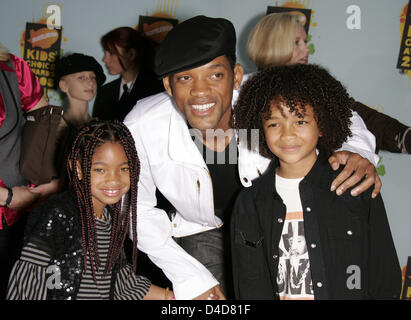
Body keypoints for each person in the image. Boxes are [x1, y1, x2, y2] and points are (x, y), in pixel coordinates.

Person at [124, 15, 381, 300]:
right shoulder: (142, 125)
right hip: (202, 230)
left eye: (215, 75)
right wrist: (189, 276)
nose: (200, 91)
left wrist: (357, 151)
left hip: (270, 220)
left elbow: (346, 115)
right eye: (185, 78)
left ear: (235, 76)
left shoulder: (264, 91)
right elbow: (136, 211)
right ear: (169, 87)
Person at [230, 64, 402, 300]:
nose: (287, 134)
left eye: (300, 121)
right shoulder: (249, 203)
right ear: (260, 129)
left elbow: (384, 274)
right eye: (274, 124)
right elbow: (249, 283)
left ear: (322, 124)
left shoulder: (355, 186)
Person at [7, 120, 174, 300]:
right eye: (101, 170)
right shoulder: (57, 214)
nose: (114, 180)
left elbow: (122, 283)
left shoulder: (111, 219)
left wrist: (175, 297)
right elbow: (31, 279)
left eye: (124, 169)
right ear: (77, 169)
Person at [247, 12, 411, 154]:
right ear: (273, 45)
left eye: (305, 42)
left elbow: (358, 119)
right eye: (296, 42)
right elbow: (235, 150)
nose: (306, 49)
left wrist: (404, 137)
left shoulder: (315, 88)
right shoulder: (241, 94)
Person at [0, 45, 60, 299]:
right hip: (11, 200)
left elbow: (43, 124)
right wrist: (8, 197)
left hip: (12, 216)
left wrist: (47, 183)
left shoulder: (13, 67)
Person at [53, 53, 106, 185]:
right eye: (81, 77)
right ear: (63, 85)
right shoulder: (54, 127)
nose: (90, 82)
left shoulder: (102, 127)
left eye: (93, 78)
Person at [92, 27, 164, 121]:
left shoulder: (157, 89)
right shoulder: (104, 92)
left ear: (131, 54)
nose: (105, 59)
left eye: (111, 53)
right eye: (105, 53)